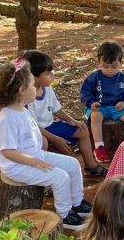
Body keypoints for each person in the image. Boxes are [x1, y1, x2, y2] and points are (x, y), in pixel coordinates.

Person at [0, 58, 91, 230]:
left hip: (35, 156)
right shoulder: (8, 118)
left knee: (73, 164)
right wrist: (35, 162)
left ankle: (77, 202)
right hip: (17, 167)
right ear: (21, 90)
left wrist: (37, 156)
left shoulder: (22, 109)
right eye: (32, 85)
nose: (35, 89)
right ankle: (65, 215)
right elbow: (7, 151)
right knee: (60, 177)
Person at [22, 50, 105, 178]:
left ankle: (91, 166)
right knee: (42, 143)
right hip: (37, 132)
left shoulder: (47, 88)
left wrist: (72, 121)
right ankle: (43, 175)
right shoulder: (27, 97)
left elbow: (57, 109)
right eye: (48, 73)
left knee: (82, 130)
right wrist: (55, 139)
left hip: (51, 126)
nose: (52, 76)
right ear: (33, 77)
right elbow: (34, 126)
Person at [80, 41, 124, 163]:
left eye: (114, 67)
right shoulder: (94, 78)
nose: (110, 70)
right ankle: (99, 147)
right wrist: (91, 102)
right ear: (99, 63)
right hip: (99, 107)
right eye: (105, 66)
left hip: (117, 108)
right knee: (95, 116)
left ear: (120, 63)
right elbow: (85, 93)